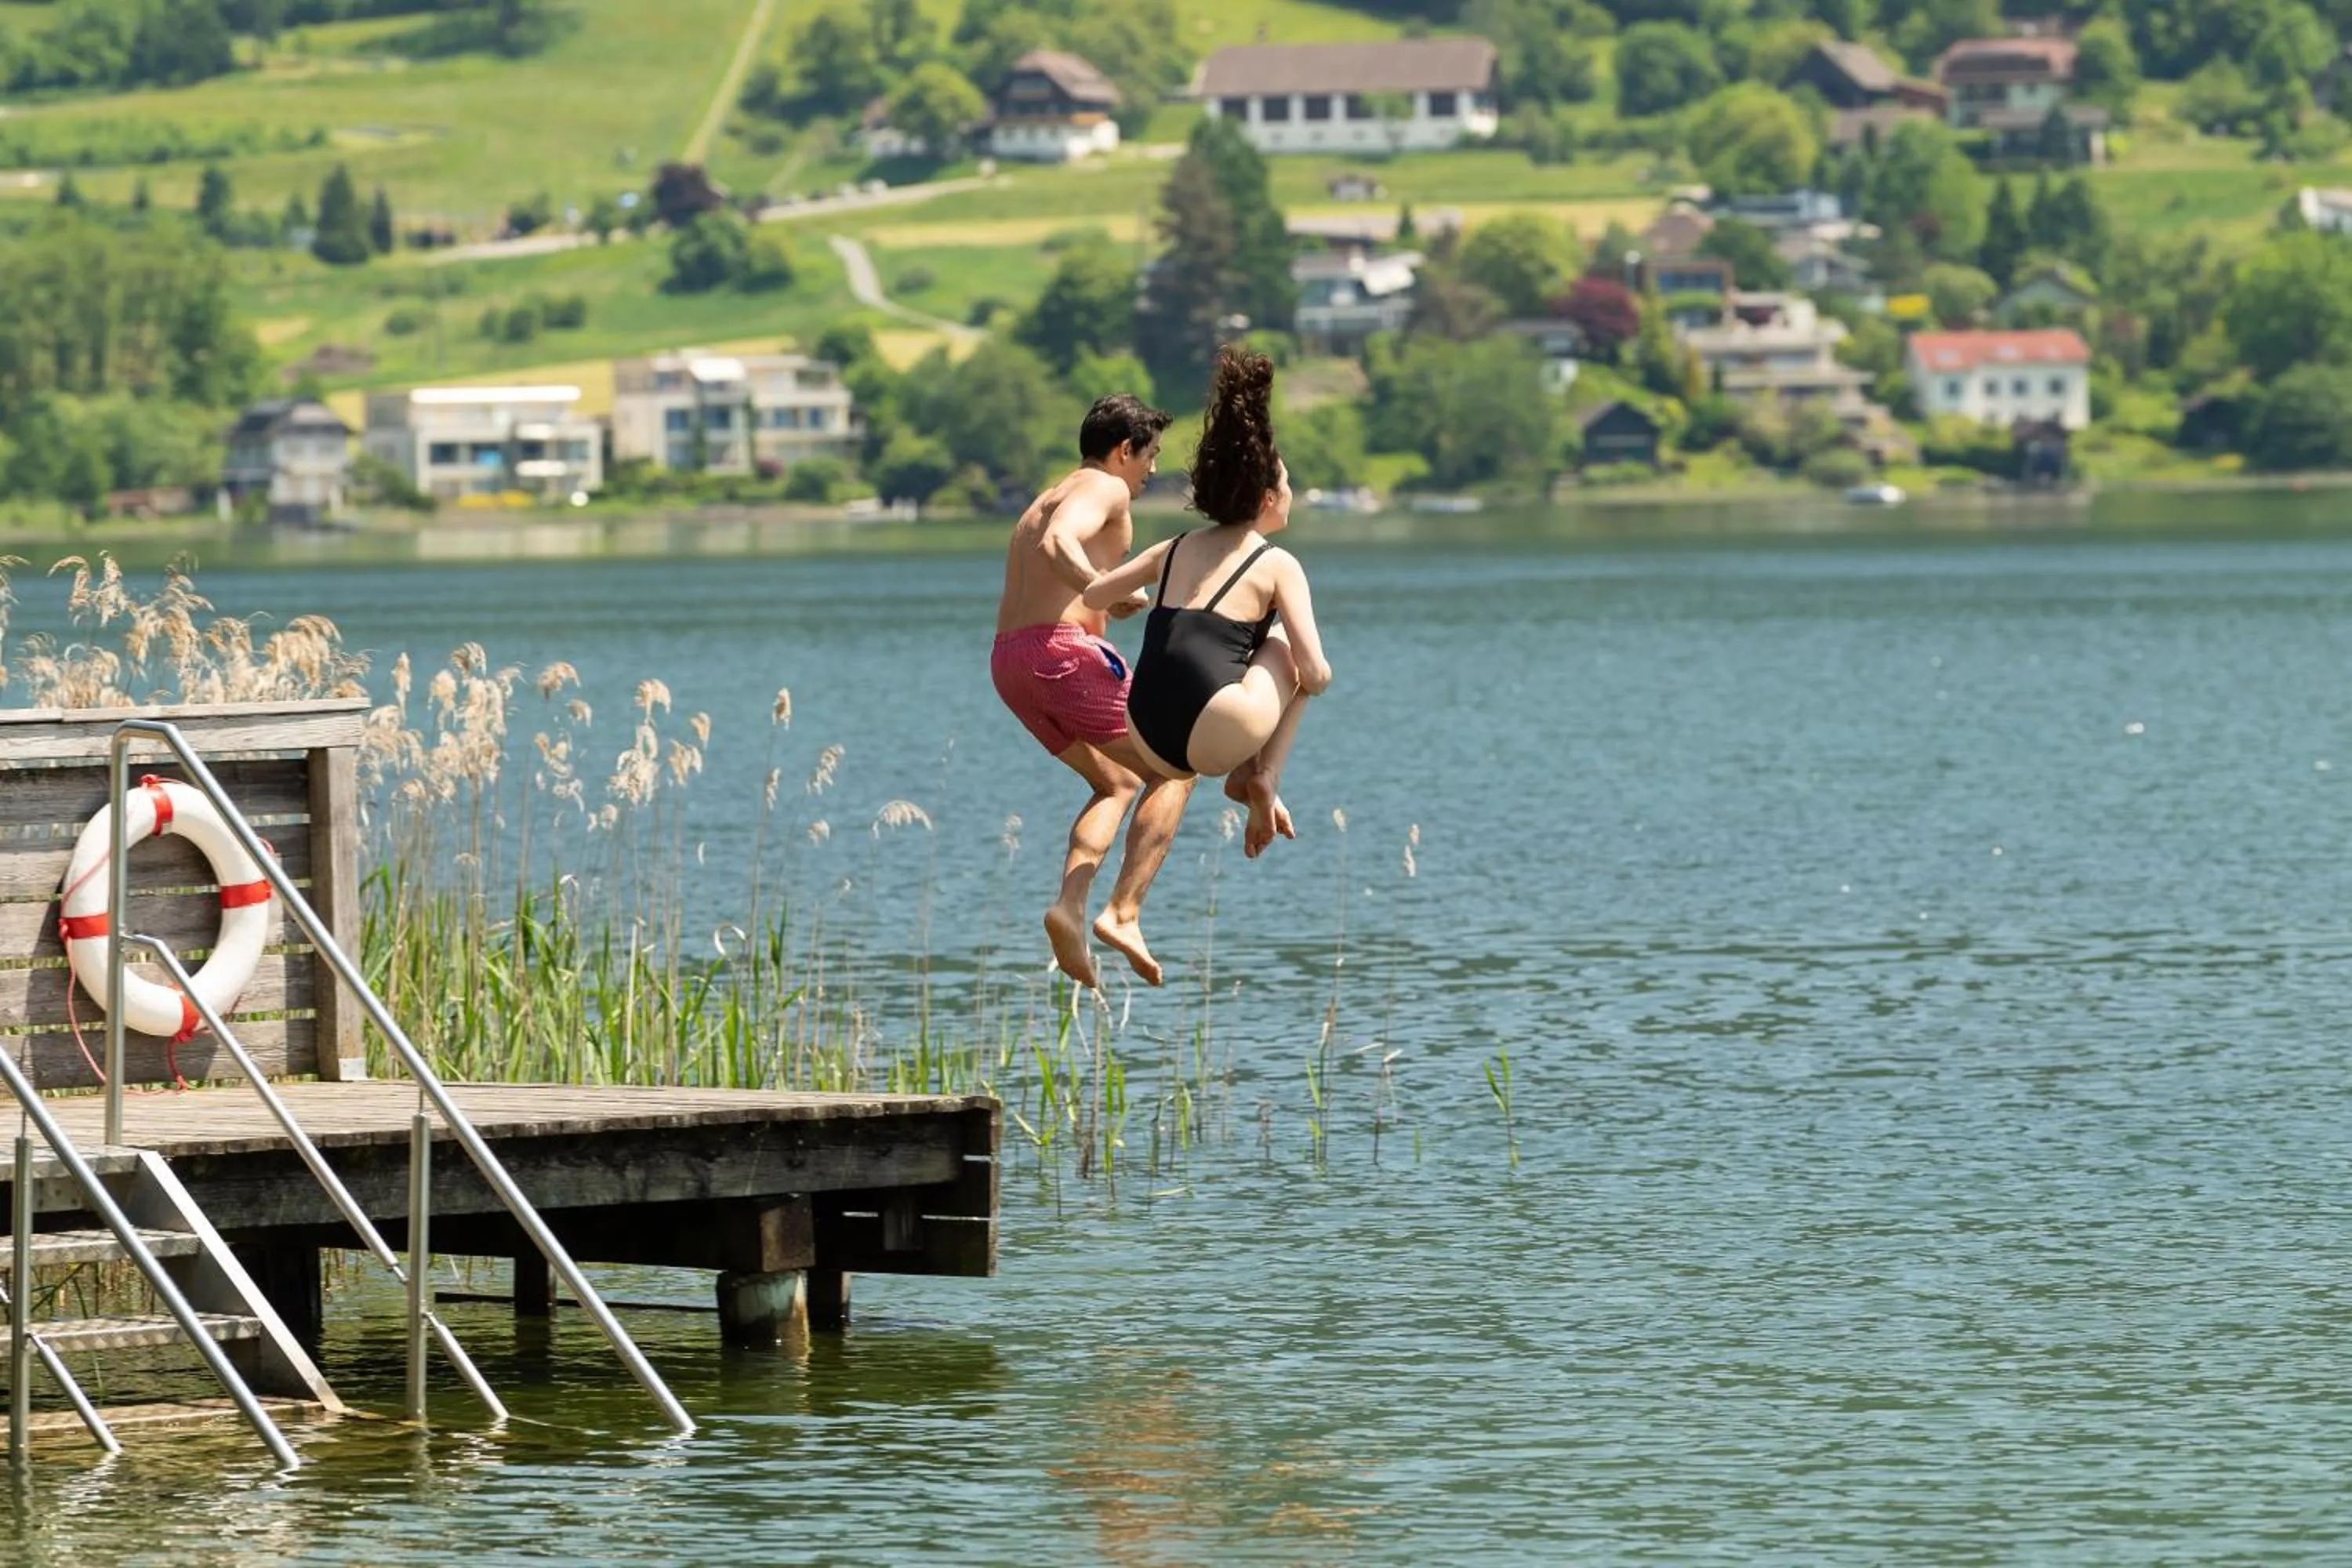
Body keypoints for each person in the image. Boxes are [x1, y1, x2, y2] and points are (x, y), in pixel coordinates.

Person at [1081, 346, 1331, 865]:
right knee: (1284, 643)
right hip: (1217, 731)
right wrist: (1309, 676)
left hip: (1148, 730)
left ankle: (1248, 772)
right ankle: (1263, 776)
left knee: (1252, 642)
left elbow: (1093, 594)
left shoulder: (1171, 548)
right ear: (1266, 498)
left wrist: (1135, 600)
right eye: (1286, 485)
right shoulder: (1277, 563)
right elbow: (1315, 673)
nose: (1291, 494)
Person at [993, 393, 1195, 990]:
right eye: (1150, 455)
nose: (1152, 470)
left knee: (1118, 782)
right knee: (1177, 767)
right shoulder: (1100, 488)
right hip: (1062, 655)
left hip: (1012, 661)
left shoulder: (1050, 492)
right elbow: (1061, 545)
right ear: (1123, 450)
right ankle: (1123, 913)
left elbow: (1050, 545)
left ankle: (1069, 909)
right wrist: (1107, 589)